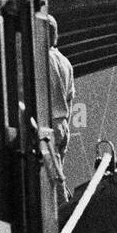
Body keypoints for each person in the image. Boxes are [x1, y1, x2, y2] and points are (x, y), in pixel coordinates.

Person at [45, 14, 75, 157]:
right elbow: (69, 99)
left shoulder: (42, 58)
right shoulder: (66, 62)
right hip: (62, 125)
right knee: (58, 177)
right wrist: (65, 126)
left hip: (49, 127)